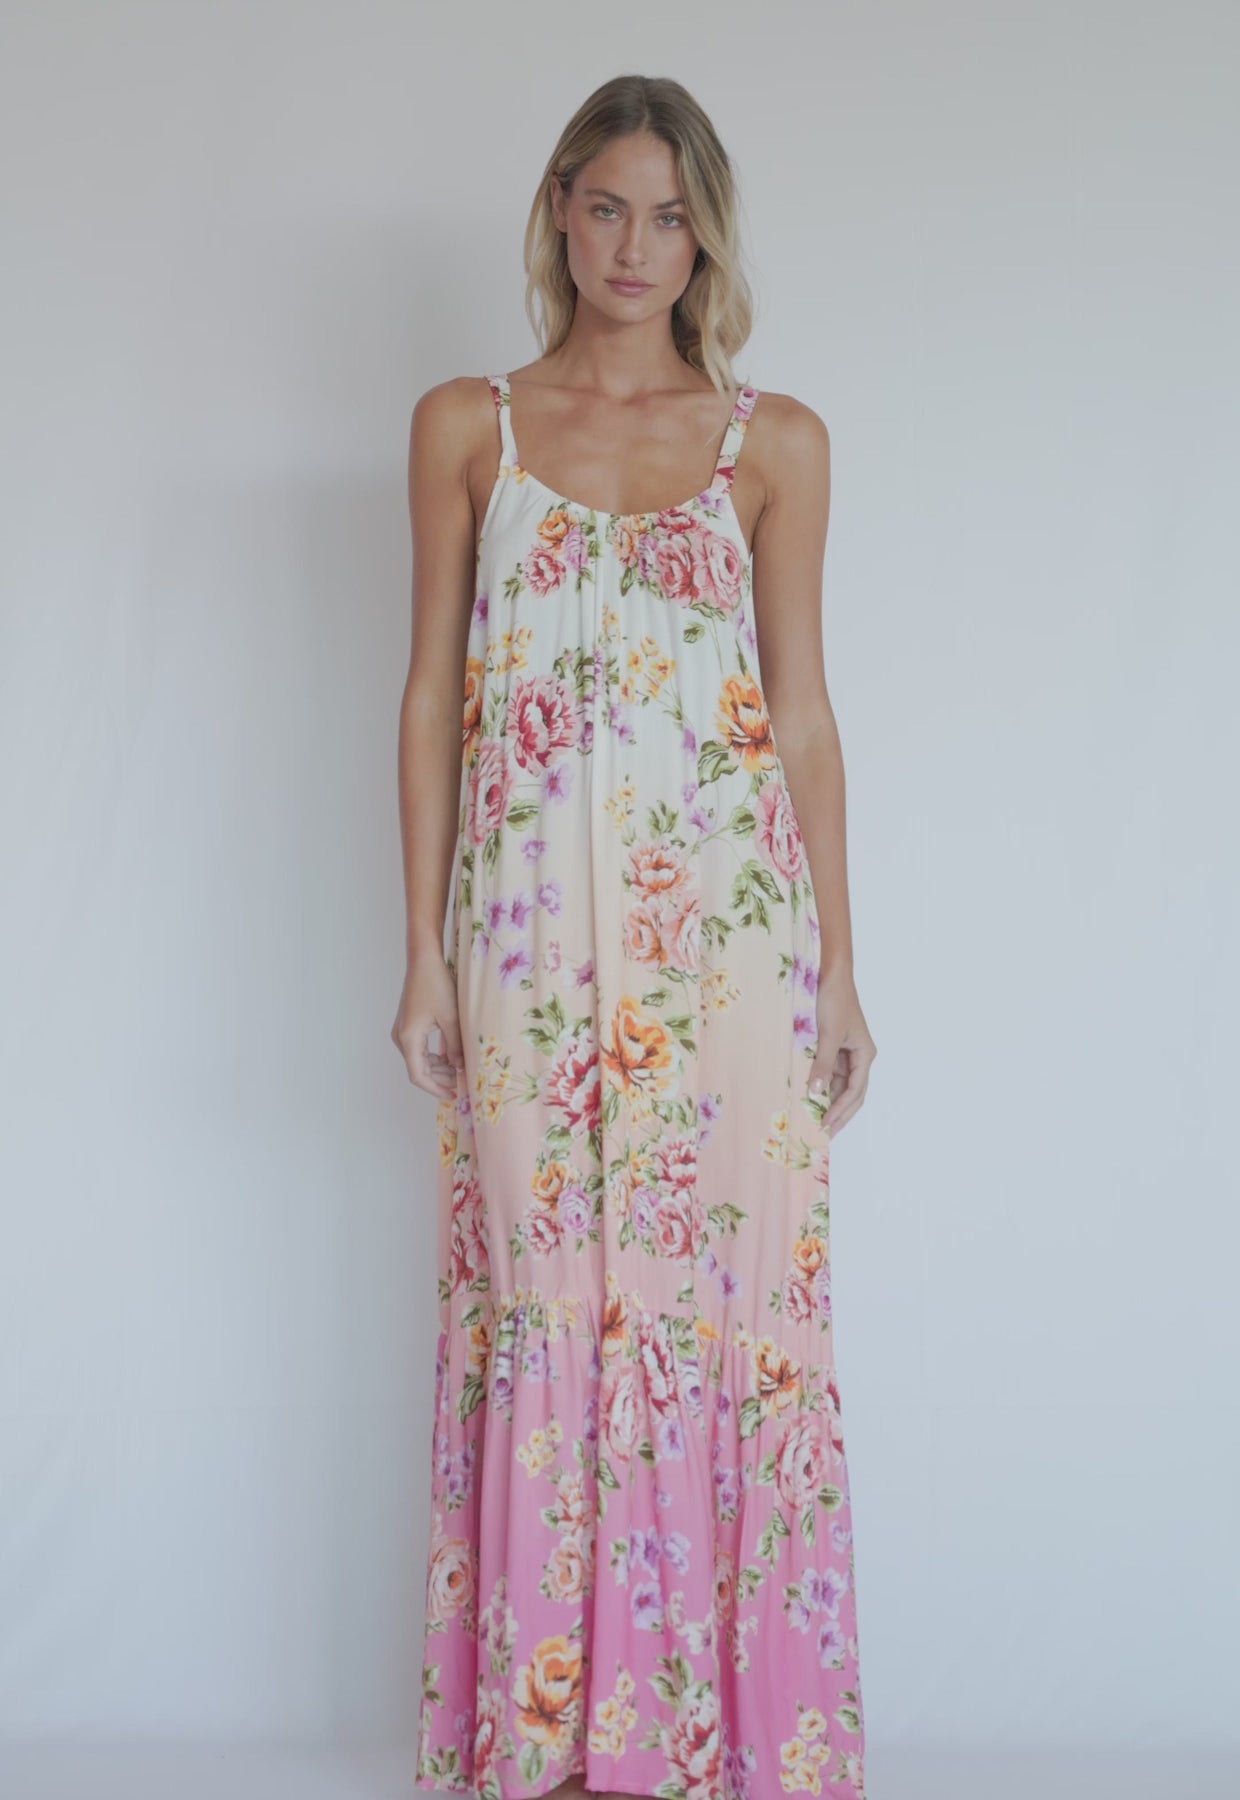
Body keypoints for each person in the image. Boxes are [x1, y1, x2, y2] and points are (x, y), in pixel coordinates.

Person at [392, 72, 877, 1800]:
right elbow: (436, 696)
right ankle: (550, 1751)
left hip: (731, 957)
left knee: (719, 1307)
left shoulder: (775, 444)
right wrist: (422, 949)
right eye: (607, 206)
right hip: (525, 945)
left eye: (670, 217)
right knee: (546, 1293)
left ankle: (731, 1750)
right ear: (557, 210)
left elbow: (802, 720)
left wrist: (844, 966)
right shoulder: (472, 426)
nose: (634, 247)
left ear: (706, 236)